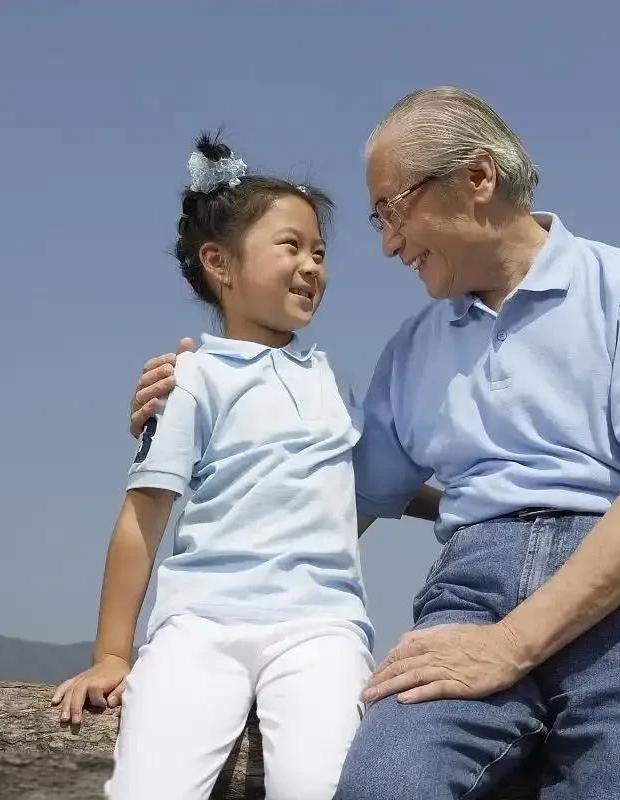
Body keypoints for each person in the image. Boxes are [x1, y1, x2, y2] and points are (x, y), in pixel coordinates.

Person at [130, 88, 620, 800]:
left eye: (393, 210)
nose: (386, 243)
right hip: (471, 592)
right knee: (383, 783)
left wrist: (508, 646)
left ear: (477, 179)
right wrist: (194, 412)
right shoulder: (412, 352)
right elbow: (321, 498)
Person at [52, 133, 396, 800]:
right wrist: (111, 655)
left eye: (320, 252)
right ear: (220, 262)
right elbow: (141, 519)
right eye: (291, 246)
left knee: (321, 785)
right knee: (150, 787)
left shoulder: (332, 382)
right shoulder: (189, 380)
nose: (312, 265)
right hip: (199, 625)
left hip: (320, 627)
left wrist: (463, 502)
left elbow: (370, 490)